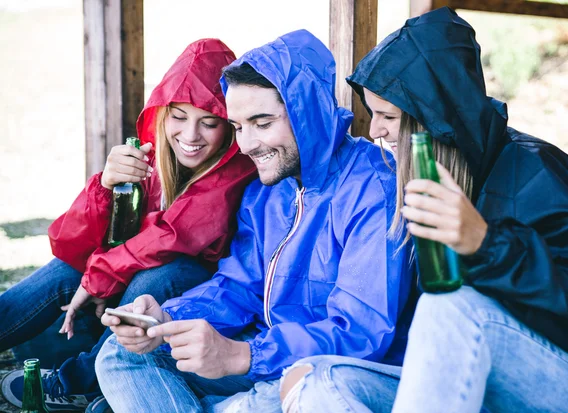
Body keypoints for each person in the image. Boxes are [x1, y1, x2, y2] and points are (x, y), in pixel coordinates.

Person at [278, 7, 568, 413]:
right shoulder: (420, 182)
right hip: (482, 374)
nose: (373, 130)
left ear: (433, 122)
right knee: (316, 380)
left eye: (387, 116)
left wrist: (485, 244)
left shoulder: (535, 172)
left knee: (449, 304)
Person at [94, 29, 415, 412]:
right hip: (263, 350)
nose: (246, 145)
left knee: (251, 405)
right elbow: (239, 285)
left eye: (262, 123)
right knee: (119, 354)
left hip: (327, 373)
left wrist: (242, 356)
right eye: (238, 127)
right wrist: (166, 317)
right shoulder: (266, 190)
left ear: (306, 111)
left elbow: (360, 333)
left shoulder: (373, 187)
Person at [0, 38, 257, 412]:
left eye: (209, 122)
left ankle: (74, 382)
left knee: (162, 276)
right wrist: (105, 187)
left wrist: (100, 276)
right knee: (66, 270)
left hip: (193, 297)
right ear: (163, 112)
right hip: (134, 273)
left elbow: (172, 238)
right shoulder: (150, 155)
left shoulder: (235, 169)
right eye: (179, 117)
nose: (190, 136)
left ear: (229, 124)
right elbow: (69, 242)